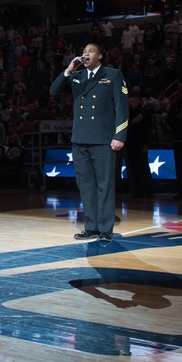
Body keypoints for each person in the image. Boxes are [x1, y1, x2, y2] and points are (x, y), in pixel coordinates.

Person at [49, 43, 128, 242]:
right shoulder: (77, 76)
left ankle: (105, 229)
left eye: (91, 51)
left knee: (104, 185)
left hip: (103, 139)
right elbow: (54, 91)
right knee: (85, 185)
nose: (86, 54)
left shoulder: (112, 74)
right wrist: (68, 70)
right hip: (80, 139)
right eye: (84, 51)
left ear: (100, 56)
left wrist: (120, 136)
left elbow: (122, 106)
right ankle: (91, 227)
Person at [123, 88, 154, 198]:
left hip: (141, 144)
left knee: (144, 167)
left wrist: (146, 144)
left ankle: (149, 190)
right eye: (129, 102)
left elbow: (149, 129)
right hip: (131, 144)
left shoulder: (144, 113)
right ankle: (138, 190)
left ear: (137, 100)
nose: (131, 104)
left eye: (132, 101)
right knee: (133, 168)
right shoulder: (129, 113)